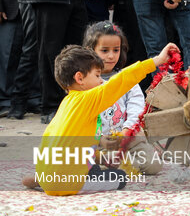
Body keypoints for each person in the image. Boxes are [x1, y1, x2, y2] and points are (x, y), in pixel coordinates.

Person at [25, 42, 177, 195]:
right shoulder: (88, 98)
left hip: (49, 172)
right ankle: (55, 182)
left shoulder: (66, 103)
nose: (101, 81)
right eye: (97, 75)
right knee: (120, 178)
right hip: (68, 182)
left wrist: (101, 157)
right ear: (80, 78)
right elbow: (122, 80)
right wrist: (157, 60)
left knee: (92, 166)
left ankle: (42, 180)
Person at [83, 21, 162, 175]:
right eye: (104, 50)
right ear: (90, 51)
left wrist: (127, 130)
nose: (111, 56)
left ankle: (116, 164)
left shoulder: (127, 78)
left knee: (154, 166)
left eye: (116, 50)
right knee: (74, 154)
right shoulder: (85, 80)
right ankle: (107, 163)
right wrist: (98, 139)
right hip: (96, 141)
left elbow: (136, 106)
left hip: (127, 139)